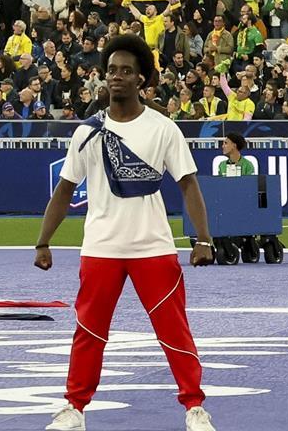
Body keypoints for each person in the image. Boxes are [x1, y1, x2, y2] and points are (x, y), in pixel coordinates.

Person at [32, 33, 216, 431]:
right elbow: (64, 190)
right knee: (88, 333)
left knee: (174, 332)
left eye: (126, 72)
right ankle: (74, 408)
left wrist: (203, 239)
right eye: (112, 70)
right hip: (100, 247)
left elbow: (188, 184)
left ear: (141, 80)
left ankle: (194, 408)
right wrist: (44, 241)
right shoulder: (86, 132)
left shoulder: (163, 129)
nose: (116, 77)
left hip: (153, 247)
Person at [208, 133, 259, 264]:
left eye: (226, 143)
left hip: (242, 207)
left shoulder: (247, 165)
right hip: (225, 206)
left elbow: (249, 188)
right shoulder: (222, 166)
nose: (223, 145)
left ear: (234, 146)